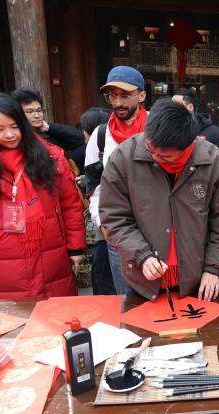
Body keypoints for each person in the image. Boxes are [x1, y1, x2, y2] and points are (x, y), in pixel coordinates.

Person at [99, 98, 219, 301]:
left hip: (197, 278)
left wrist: (213, 268)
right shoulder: (123, 159)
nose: (154, 158)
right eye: (151, 150)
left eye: (165, 157)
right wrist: (141, 255)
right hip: (142, 278)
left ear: (188, 146)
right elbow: (113, 218)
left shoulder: (214, 162)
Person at [0, 93, 85, 299]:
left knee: (55, 313)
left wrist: (75, 248)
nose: (9, 135)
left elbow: (70, 204)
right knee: (14, 316)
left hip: (53, 254)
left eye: (14, 127)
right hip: (5, 260)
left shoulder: (51, 156)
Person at [84, 65, 148, 296]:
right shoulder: (100, 136)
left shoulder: (157, 128)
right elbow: (94, 185)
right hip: (117, 229)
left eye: (125, 95)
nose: (118, 102)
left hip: (155, 228)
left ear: (141, 95)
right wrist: (102, 223)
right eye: (113, 95)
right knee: (126, 296)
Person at [79, 107, 116, 296]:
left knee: (106, 282)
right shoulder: (97, 147)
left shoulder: (105, 143)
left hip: (111, 233)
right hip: (106, 230)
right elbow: (96, 184)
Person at [11, 87, 86, 171]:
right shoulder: (14, 139)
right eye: (30, 111)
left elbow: (80, 138)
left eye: (39, 110)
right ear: (18, 114)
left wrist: (50, 128)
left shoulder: (49, 134)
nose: (37, 115)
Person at [172, 88, 219, 154]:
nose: (171, 109)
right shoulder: (165, 132)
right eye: (170, 105)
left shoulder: (213, 133)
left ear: (190, 107)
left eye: (177, 105)